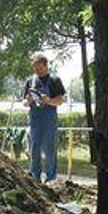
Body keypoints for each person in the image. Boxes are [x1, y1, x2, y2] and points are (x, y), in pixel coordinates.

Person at [23, 53, 65, 183]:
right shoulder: (30, 81)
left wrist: (49, 101)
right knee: (34, 148)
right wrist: (28, 100)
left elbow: (60, 100)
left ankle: (51, 178)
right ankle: (34, 177)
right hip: (35, 118)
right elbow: (24, 102)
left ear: (46, 66)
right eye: (35, 68)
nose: (37, 70)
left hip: (49, 118)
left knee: (50, 149)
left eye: (39, 67)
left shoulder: (54, 80)